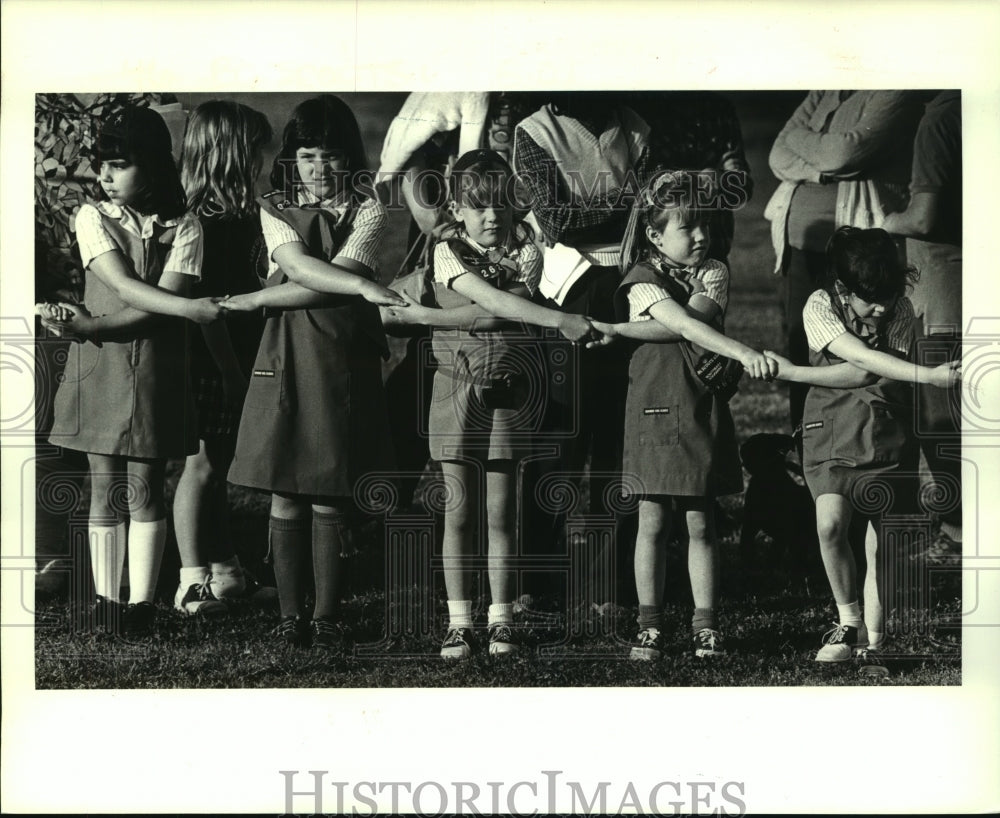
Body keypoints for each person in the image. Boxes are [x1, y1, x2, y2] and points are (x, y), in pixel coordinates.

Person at [385, 149, 594, 659]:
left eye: (500, 204)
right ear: (456, 208)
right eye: (478, 206)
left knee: (501, 512)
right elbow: (500, 307)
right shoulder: (444, 252)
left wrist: (427, 317)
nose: (491, 216)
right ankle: (459, 621)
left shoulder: (528, 251)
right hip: (455, 388)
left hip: (510, 388)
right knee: (458, 511)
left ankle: (499, 619)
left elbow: (499, 313)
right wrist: (554, 319)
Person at [221, 95, 405, 650]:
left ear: (348, 157)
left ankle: (326, 613)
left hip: (340, 360)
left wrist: (262, 297)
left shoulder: (369, 209)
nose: (318, 169)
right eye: (306, 156)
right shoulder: (273, 206)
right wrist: (362, 287)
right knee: (284, 489)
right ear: (291, 159)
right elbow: (301, 265)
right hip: (283, 357)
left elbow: (330, 274)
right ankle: (287, 610)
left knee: (329, 488)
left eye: (329, 156)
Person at [40, 105, 224, 636]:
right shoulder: (92, 217)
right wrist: (188, 310)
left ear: (153, 167)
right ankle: (105, 598)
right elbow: (125, 286)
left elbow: (161, 301)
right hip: (101, 368)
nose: (104, 177)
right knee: (102, 484)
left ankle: (141, 605)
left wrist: (94, 325)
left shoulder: (185, 225)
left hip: (158, 374)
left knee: (146, 485)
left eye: (118, 165)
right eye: (102, 165)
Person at [588, 170, 777, 660]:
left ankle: (706, 626)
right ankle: (649, 626)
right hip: (651, 414)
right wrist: (742, 351)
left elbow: (685, 324)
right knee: (651, 523)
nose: (700, 237)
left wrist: (622, 329)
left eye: (705, 227)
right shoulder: (638, 280)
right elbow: (674, 322)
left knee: (700, 522)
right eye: (687, 228)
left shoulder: (714, 271)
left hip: (697, 409)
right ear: (654, 235)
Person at [763, 227, 960, 661]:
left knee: (881, 544)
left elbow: (868, 373)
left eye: (888, 295)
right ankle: (847, 622)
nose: (882, 306)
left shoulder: (901, 310)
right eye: (870, 298)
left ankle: (875, 642)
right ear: (841, 287)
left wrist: (791, 371)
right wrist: (928, 375)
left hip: (885, 433)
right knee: (830, 525)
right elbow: (862, 361)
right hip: (829, 428)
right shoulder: (819, 304)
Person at [513, 92, 653, 609]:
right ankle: (535, 581)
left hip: (630, 285)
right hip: (568, 287)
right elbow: (558, 220)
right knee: (559, 438)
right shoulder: (534, 130)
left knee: (621, 443)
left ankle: (613, 583)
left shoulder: (635, 123)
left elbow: (653, 208)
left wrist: (633, 207)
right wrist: (631, 201)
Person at [170, 100, 277, 616]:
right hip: (213, 360)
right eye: (256, 148)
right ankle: (191, 580)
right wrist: (234, 375)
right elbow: (205, 311)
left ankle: (226, 572)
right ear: (232, 152)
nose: (264, 158)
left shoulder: (237, 215)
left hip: (234, 354)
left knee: (218, 465)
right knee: (202, 468)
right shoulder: (206, 223)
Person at [765, 91, 923, 435]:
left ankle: (862, 447)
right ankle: (812, 452)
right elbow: (777, 155)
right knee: (808, 347)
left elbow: (843, 154)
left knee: (867, 352)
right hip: (801, 242)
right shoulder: (826, 88)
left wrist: (801, 141)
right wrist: (824, 161)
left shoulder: (892, 90)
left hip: (861, 252)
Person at [881, 91, 963, 551]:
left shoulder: (939, 120)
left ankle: (956, 531)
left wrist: (888, 219)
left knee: (942, 420)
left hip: (946, 292)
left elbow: (925, 217)